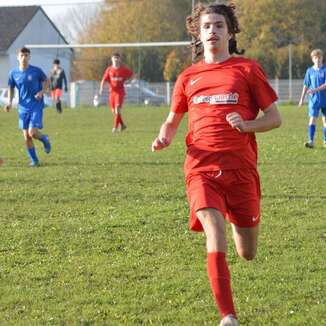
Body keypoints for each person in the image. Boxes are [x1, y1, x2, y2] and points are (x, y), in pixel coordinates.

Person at [151, 3, 281, 326]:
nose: (213, 31)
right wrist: (164, 136)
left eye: (219, 25)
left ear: (230, 31)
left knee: (246, 251)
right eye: (207, 26)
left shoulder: (247, 70)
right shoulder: (187, 77)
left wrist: (247, 125)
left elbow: (275, 118)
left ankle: (240, 230)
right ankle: (228, 316)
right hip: (201, 168)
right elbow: (171, 121)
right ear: (198, 32)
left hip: (241, 171)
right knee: (214, 228)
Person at [4, 47, 51, 167]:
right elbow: (10, 88)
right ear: (17, 57)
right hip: (22, 107)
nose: (24, 58)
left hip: (36, 105)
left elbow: (47, 81)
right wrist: (9, 102)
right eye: (21, 55)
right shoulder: (13, 73)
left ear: (29, 57)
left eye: (26, 55)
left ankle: (45, 139)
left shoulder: (36, 71)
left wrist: (41, 92)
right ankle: (35, 161)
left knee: (32, 133)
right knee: (26, 136)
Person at [298, 48, 326, 148]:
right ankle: (311, 141)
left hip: (325, 99)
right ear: (312, 59)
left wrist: (314, 90)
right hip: (314, 100)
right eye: (315, 57)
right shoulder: (309, 71)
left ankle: (325, 141)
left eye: (319, 57)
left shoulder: (325, 69)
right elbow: (306, 85)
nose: (317, 59)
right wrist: (301, 98)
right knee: (312, 119)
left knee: (325, 120)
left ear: (322, 58)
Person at [99, 53, 133, 133]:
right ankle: (123, 125)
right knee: (114, 112)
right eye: (114, 58)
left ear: (120, 59)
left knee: (117, 109)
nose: (116, 59)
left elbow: (132, 74)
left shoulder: (123, 69)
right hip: (112, 92)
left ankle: (115, 128)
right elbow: (104, 79)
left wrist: (129, 81)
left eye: (117, 58)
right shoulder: (109, 69)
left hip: (120, 92)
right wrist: (101, 88)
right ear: (111, 59)